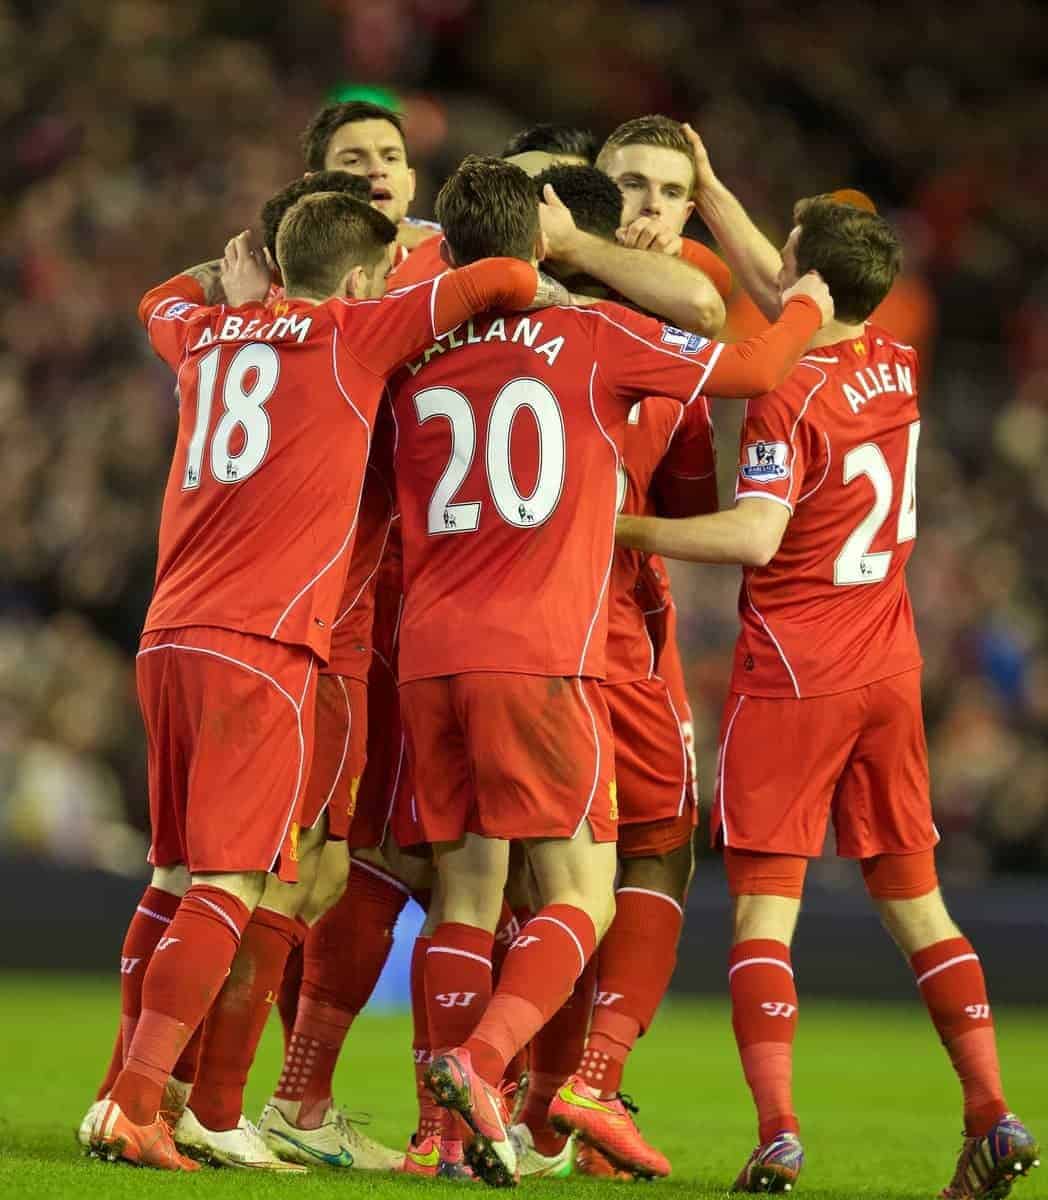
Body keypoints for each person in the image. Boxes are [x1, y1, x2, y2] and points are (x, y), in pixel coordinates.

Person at [86, 190, 558, 1173]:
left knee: (182, 875)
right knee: (230, 881)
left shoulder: (209, 334)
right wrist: (428, 242)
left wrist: (236, 285)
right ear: (354, 279)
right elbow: (510, 277)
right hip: (260, 647)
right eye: (378, 271)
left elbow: (156, 299)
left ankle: (183, 1107)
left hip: (168, 637)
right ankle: (136, 1105)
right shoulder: (354, 331)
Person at [385, 154, 831, 1188]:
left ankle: (441, 1141)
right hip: (542, 652)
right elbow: (755, 368)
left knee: (465, 893)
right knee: (583, 896)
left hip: (427, 653)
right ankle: (482, 1064)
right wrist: (807, 305)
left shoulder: (418, 349)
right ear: (545, 239)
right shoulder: (592, 334)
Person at [615, 196, 1041, 1198]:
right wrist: (712, 186)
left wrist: (622, 532)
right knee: (921, 912)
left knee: (764, 918)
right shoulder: (894, 361)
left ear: (809, 279)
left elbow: (756, 539)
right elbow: (789, 288)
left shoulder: (785, 394)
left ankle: (777, 1132)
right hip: (889, 670)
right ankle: (991, 1111)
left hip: (794, 675)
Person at [504, 165, 718, 1182]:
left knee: (573, 866)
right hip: (576, 641)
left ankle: (535, 1106)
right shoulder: (582, 312)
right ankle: (558, 1085)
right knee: (590, 867)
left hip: (595, 629)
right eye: (628, 182)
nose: (645, 205)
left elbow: (679, 509)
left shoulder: (654, 325)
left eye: (668, 191)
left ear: (687, 212)